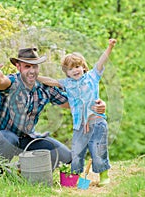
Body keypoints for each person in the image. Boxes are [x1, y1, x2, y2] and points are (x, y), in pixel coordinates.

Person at [0, 47, 107, 169]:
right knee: (8, 139)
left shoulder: (45, 88)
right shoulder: (13, 82)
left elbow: (75, 103)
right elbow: (0, 80)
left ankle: (23, 168)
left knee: (68, 158)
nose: (32, 70)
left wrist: (97, 106)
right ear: (18, 67)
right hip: (2, 135)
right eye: (27, 66)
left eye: (34, 66)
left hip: (28, 137)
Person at [38, 39, 117, 186]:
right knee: (77, 153)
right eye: (70, 68)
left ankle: (104, 176)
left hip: (97, 122)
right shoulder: (67, 83)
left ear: (83, 67)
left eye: (77, 66)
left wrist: (110, 47)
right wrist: (35, 76)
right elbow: (51, 81)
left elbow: (101, 62)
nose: (75, 70)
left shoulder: (93, 77)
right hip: (79, 125)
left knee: (98, 150)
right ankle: (76, 178)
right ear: (66, 72)